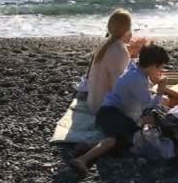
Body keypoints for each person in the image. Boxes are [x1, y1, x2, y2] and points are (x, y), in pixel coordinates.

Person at [70, 44, 171, 175]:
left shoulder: (135, 66)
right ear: (153, 65)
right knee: (115, 139)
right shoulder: (138, 79)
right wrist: (161, 90)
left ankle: (88, 146)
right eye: (160, 67)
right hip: (110, 113)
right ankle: (82, 160)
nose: (160, 71)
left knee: (129, 142)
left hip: (117, 112)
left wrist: (154, 82)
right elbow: (149, 107)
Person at [78, 9, 132, 114]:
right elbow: (119, 86)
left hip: (93, 103)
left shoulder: (104, 45)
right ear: (127, 29)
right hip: (104, 108)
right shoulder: (120, 51)